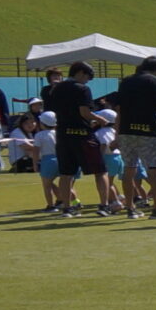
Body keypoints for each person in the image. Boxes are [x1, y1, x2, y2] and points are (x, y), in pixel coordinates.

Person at [112, 54, 156, 218]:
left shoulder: (126, 81)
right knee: (154, 170)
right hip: (148, 132)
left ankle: (130, 208)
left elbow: (119, 110)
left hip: (126, 131)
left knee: (129, 169)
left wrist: (116, 135)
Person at [44, 60, 98, 215]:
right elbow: (85, 112)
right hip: (81, 133)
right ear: (80, 73)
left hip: (62, 133)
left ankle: (66, 207)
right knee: (100, 171)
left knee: (65, 174)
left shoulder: (56, 89)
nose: (87, 81)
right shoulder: (83, 89)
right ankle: (105, 205)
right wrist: (100, 119)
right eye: (87, 77)